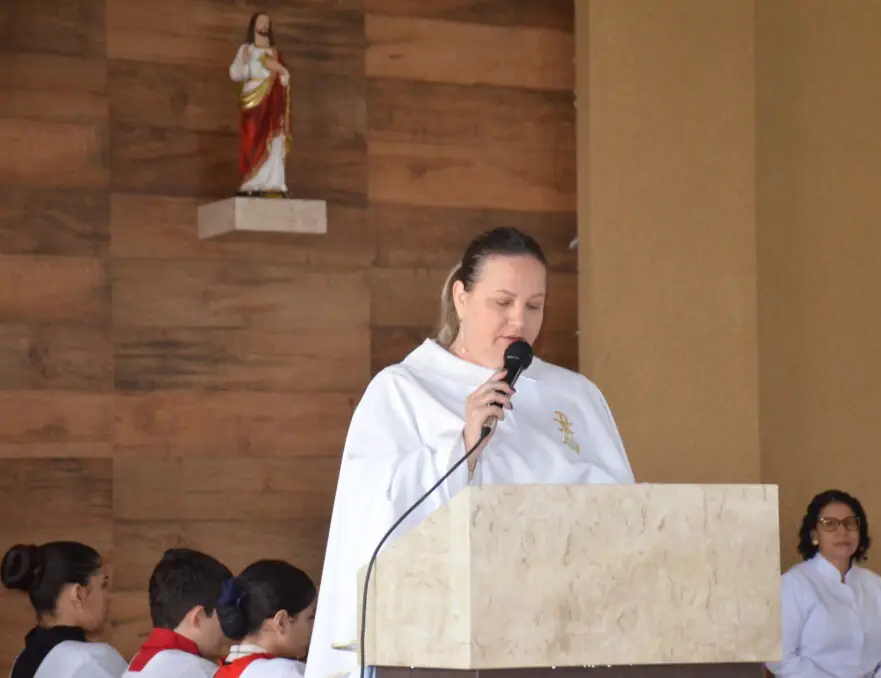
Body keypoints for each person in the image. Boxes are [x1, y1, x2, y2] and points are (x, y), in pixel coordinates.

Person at [303, 226, 636, 678]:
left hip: (574, 638)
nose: (519, 322)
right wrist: (463, 449)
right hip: (446, 644)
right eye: (502, 302)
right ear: (461, 297)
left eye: (534, 306)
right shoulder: (402, 391)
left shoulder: (576, 396)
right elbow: (371, 519)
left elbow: (628, 514)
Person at [766, 490, 881, 678]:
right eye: (830, 524)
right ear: (814, 535)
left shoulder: (873, 583)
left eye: (850, 523)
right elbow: (778, 657)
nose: (842, 531)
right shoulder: (795, 583)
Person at [2, 541, 127, 678]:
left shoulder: (20, 662)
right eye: (103, 585)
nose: (108, 597)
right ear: (79, 594)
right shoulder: (92, 661)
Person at [124, 548, 233, 677]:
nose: (229, 626)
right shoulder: (199, 671)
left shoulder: (134, 665)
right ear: (197, 618)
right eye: (224, 614)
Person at [212, 560, 316, 678]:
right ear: (281, 622)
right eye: (310, 617)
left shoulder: (221, 672)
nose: (314, 627)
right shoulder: (285, 673)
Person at [228, 12, 291, 197]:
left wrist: (281, 70)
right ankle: (251, 181)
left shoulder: (275, 53)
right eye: (261, 21)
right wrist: (244, 61)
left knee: (274, 137)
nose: (265, 25)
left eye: (267, 22)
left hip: (273, 102)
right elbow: (235, 74)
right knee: (252, 138)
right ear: (254, 25)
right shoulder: (246, 49)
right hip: (253, 101)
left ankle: (274, 183)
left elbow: (285, 78)